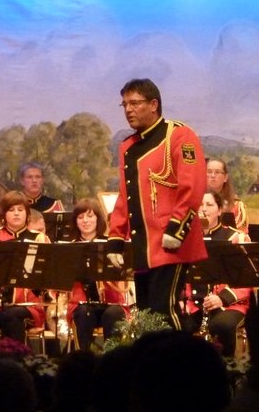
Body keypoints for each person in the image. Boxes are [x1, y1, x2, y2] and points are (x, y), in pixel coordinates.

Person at [107, 78, 207, 330]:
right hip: (143, 245)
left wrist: (176, 229)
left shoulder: (179, 135)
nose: (128, 110)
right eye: (124, 104)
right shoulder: (128, 147)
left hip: (170, 242)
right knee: (146, 317)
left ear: (153, 105)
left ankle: (177, 356)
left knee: (164, 312)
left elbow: (192, 185)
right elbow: (125, 196)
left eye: (135, 103)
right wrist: (115, 237)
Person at [0, 191, 47, 342]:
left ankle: (16, 355)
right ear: (4, 215)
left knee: (12, 315)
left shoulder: (39, 238)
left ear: (27, 214)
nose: (16, 213)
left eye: (20, 209)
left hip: (28, 305)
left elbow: (46, 275)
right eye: (11, 210)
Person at [184, 190, 251, 356]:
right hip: (194, 305)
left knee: (222, 326)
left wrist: (222, 298)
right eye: (200, 205)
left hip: (229, 304)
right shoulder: (187, 239)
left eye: (209, 205)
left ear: (220, 210)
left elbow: (246, 278)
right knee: (176, 324)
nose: (203, 209)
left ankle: (226, 368)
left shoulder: (237, 237)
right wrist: (181, 299)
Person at [67, 198, 127, 351]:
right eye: (80, 217)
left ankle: (113, 358)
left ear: (98, 219)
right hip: (81, 304)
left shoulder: (112, 245)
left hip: (111, 301)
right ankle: (83, 359)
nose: (85, 221)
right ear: (75, 221)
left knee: (113, 313)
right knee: (83, 313)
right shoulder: (69, 248)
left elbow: (124, 276)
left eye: (90, 216)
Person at [206, 158, 248, 231]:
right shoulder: (195, 202)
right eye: (209, 172)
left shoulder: (236, 206)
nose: (212, 175)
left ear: (225, 177)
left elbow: (241, 234)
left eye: (217, 172)